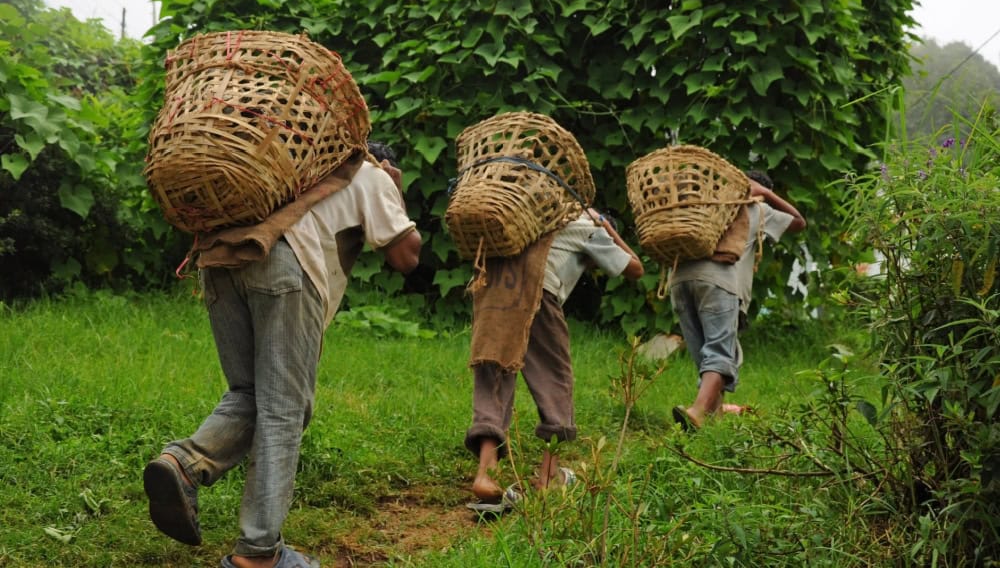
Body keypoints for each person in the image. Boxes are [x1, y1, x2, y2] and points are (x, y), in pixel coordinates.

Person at [143, 142, 421, 568]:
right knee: (283, 410)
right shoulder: (368, 173)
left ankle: (182, 464)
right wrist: (393, 189)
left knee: (248, 393)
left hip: (220, 259)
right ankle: (258, 552)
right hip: (284, 265)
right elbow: (406, 255)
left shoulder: (287, 166)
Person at [464, 208, 644, 510]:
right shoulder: (587, 226)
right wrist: (605, 226)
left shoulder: (534, 214)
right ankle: (548, 478)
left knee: (494, 373)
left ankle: (486, 473)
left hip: (492, 287)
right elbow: (635, 268)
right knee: (555, 380)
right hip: (537, 292)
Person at [670, 170, 806, 430]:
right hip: (718, 284)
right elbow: (798, 221)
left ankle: (714, 415)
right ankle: (697, 412)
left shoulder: (705, 205)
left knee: (705, 356)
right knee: (721, 353)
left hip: (679, 280)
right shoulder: (758, 209)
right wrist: (765, 194)